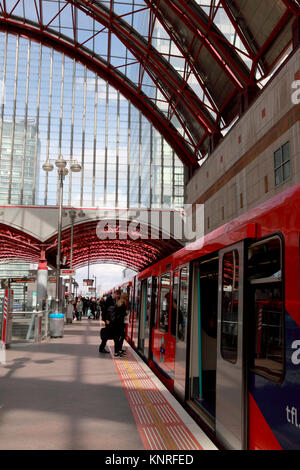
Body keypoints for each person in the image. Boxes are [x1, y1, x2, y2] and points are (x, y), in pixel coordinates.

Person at [111, 290, 127, 357]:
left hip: (116, 323)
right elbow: (121, 314)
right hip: (119, 323)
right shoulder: (123, 304)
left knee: (117, 338)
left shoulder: (118, 303)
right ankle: (117, 352)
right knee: (120, 337)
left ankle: (118, 351)